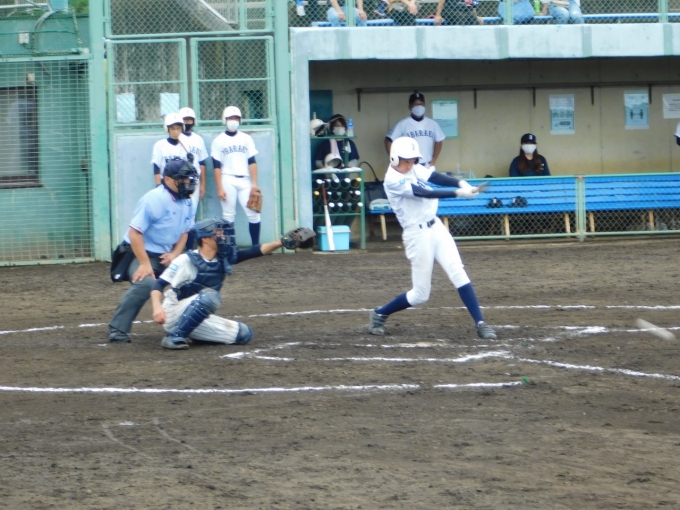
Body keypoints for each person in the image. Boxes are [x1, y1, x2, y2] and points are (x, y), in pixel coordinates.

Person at [367, 137, 497, 340]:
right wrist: (458, 193)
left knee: (457, 271)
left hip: (435, 226)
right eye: (406, 161)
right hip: (416, 235)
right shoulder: (392, 179)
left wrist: (462, 183)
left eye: (412, 160)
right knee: (421, 295)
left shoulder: (413, 168)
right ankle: (380, 313)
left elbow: (435, 177)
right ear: (394, 158)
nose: (410, 165)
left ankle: (481, 323)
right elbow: (423, 193)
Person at [150, 218, 315, 350]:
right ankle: (173, 337)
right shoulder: (185, 260)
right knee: (210, 297)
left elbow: (254, 251)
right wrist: (157, 308)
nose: (223, 237)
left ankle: (195, 334)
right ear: (205, 239)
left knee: (243, 334)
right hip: (173, 312)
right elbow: (158, 285)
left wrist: (280, 242)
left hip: (196, 314)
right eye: (219, 233)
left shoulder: (223, 258)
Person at [108, 158, 198, 343]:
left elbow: (185, 231)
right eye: (183, 179)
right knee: (146, 283)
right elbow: (134, 233)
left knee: (193, 279)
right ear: (168, 179)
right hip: (137, 253)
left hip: (165, 255)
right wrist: (144, 264)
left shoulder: (188, 202)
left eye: (189, 179)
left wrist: (175, 254)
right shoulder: (154, 199)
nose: (188, 183)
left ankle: (190, 328)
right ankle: (118, 330)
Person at [211, 105, 261, 246]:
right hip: (227, 178)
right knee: (228, 215)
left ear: (240, 120)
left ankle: (256, 246)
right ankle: (230, 247)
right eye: (230, 118)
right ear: (225, 120)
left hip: (244, 180)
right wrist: (219, 187)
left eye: (236, 118)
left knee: (254, 214)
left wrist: (254, 183)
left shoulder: (246, 138)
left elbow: (252, 162)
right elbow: (216, 166)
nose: (233, 120)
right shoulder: (219, 140)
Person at [385, 91, 445, 169]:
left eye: (421, 104)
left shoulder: (432, 124)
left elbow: (439, 140)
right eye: (416, 104)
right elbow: (388, 140)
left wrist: (434, 159)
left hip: (427, 165)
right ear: (410, 107)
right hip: (410, 165)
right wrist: (395, 160)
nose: (419, 106)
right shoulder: (403, 124)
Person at [178, 107, 209, 212]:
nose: (187, 122)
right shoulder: (177, 137)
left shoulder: (198, 139)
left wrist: (203, 185)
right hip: (179, 179)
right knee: (179, 210)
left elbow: (202, 163)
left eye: (189, 119)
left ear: (193, 121)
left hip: (194, 180)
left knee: (192, 211)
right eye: (185, 119)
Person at [151, 113, 189, 187]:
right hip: (165, 184)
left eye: (178, 128)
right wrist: (158, 185)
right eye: (172, 129)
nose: (176, 132)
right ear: (167, 129)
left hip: (181, 185)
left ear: (182, 128)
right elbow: (156, 167)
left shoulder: (186, 146)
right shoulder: (160, 145)